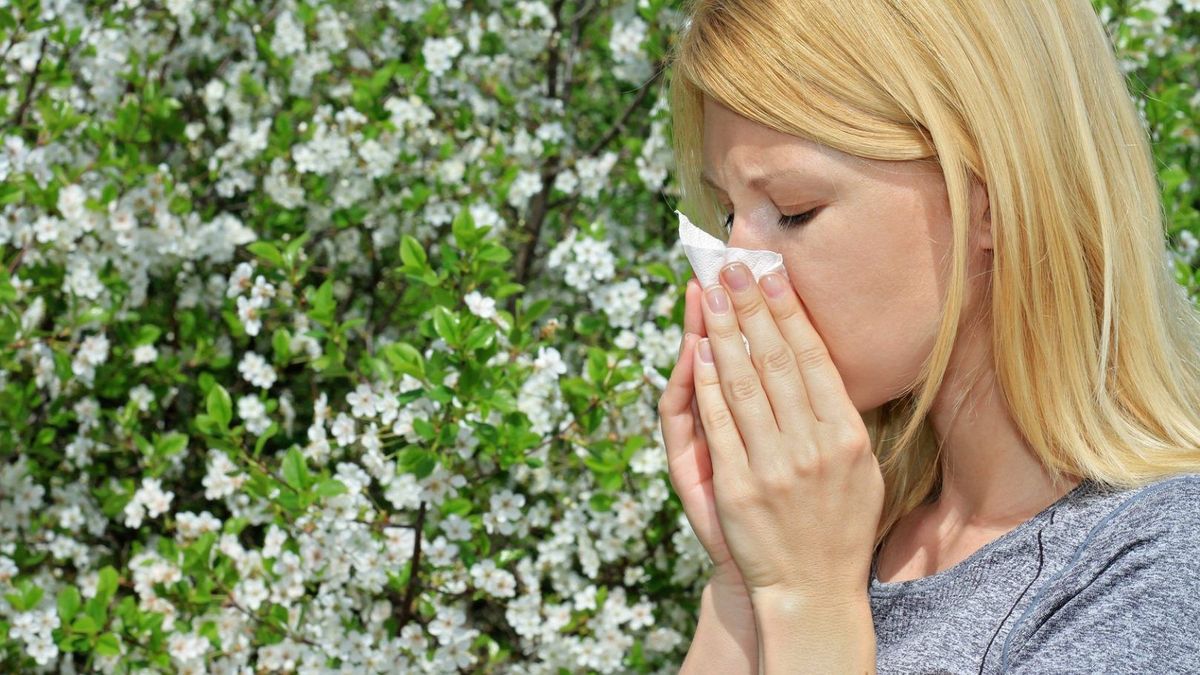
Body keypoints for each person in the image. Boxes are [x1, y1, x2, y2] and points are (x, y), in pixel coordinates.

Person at [657, 0, 1200, 672]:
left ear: (992, 201)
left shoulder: (1155, 569)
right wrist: (744, 582)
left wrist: (811, 604)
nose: (734, 269)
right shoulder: (845, 535)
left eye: (794, 211)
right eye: (730, 213)